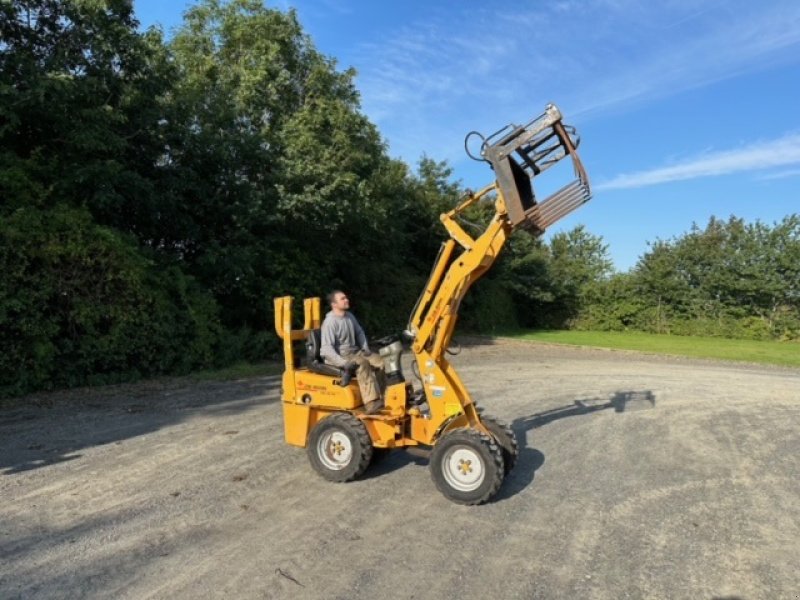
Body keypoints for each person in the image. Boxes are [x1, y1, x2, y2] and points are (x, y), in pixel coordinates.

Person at [320, 290, 385, 413]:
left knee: (380, 361)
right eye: (342, 299)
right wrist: (343, 363)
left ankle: (383, 396)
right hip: (341, 356)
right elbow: (326, 349)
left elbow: (359, 332)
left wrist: (365, 347)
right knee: (362, 363)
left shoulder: (349, 316)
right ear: (334, 304)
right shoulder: (330, 322)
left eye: (346, 298)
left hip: (354, 352)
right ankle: (370, 403)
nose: (346, 300)